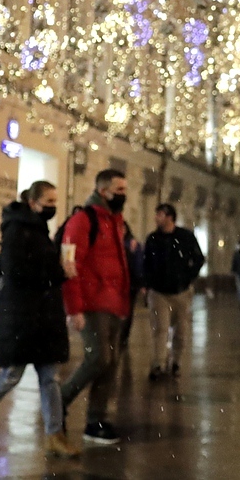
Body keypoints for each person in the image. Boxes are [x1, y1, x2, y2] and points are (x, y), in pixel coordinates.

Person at [0, 181, 80, 458]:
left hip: (42, 316)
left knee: (50, 377)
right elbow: (18, 273)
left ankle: (55, 434)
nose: (52, 206)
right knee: (10, 376)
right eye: (48, 200)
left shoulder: (37, 230)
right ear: (33, 203)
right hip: (22, 316)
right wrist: (59, 273)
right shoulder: (17, 230)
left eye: (55, 200)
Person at [60, 168, 132, 446]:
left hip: (114, 302)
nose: (123, 195)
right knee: (98, 358)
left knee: (111, 363)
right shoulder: (83, 220)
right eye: (119, 190)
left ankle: (97, 420)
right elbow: (70, 264)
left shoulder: (115, 220)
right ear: (103, 191)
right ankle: (60, 400)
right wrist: (74, 307)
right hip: (93, 302)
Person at [143, 203, 204, 380]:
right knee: (160, 329)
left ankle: (175, 362)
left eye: (160, 215)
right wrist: (147, 283)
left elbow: (198, 258)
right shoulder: (153, 239)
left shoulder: (185, 237)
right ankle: (158, 365)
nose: (156, 218)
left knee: (181, 330)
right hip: (159, 291)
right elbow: (146, 263)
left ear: (170, 217)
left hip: (181, 291)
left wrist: (188, 277)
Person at [118, 220, 146, 350]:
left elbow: (138, 264)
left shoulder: (132, 244)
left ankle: (123, 335)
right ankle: (118, 335)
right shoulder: (112, 243)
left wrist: (140, 282)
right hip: (116, 283)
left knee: (128, 311)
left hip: (130, 283)